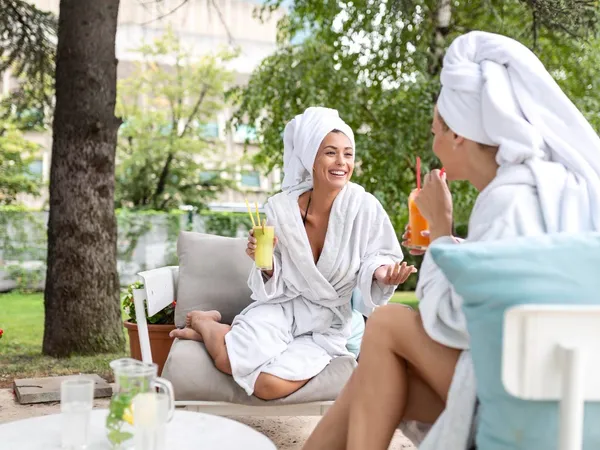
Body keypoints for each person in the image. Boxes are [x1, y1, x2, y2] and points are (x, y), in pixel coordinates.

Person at [302, 30, 600, 450]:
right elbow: (507, 280)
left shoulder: (509, 200)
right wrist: (452, 246)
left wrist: (441, 232)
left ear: (458, 134)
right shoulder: (549, 188)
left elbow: (453, 322)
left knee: (386, 323)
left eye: (436, 132)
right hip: (565, 382)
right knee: (380, 379)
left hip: (527, 395)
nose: (435, 144)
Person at [170, 106, 416, 400]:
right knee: (226, 360)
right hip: (284, 308)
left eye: (348, 153)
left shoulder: (364, 206)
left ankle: (215, 331)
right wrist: (265, 263)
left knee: (267, 386)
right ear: (311, 157)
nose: (342, 162)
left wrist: (383, 274)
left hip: (326, 323)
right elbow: (276, 271)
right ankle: (205, 321)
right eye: (330, 153)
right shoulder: (281, 209)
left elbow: (377, 256)